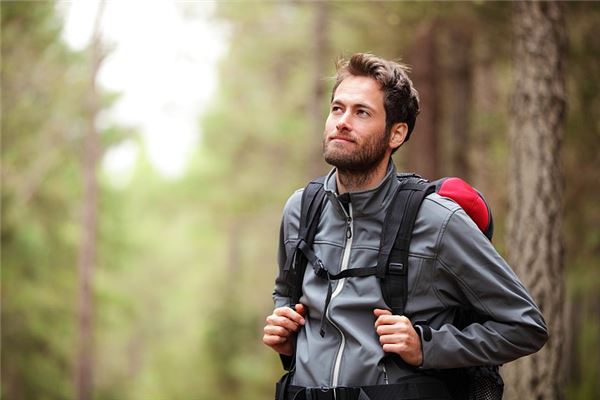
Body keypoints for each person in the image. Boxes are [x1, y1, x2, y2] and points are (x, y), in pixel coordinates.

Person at [262, 53, 548, 400]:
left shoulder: (437, 221)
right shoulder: (301, 210)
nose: (342, 122)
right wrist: (286, 335)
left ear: (396, 133)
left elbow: (525, 327)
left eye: (361, 112)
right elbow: (285, 292)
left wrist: (427, 346)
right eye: (337, 109)